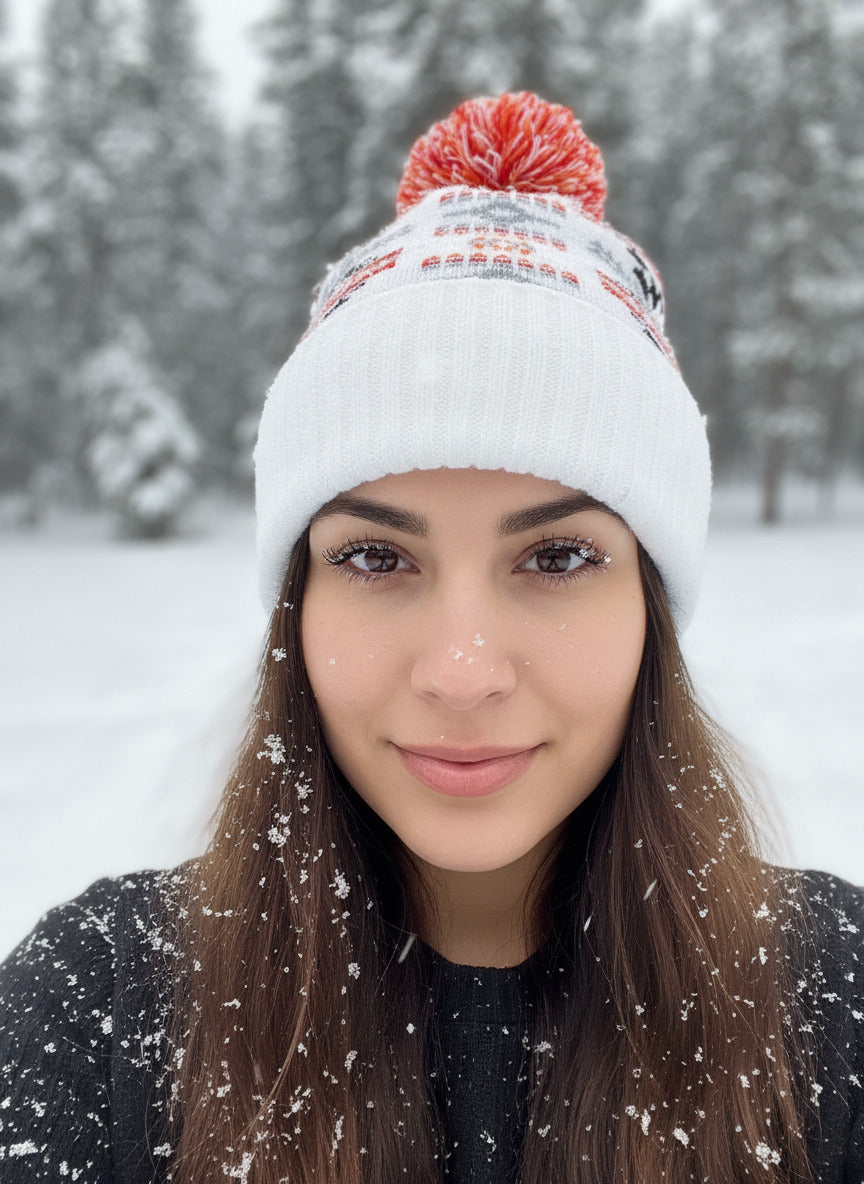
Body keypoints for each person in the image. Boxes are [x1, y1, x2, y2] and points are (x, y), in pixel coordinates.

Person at [0, 91, 861, 1184]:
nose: (462, 672)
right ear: (295, 604)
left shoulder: (833, 1004)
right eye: (375, 556)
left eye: (555, 558)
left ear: (652, 604)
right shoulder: (102, 1007)